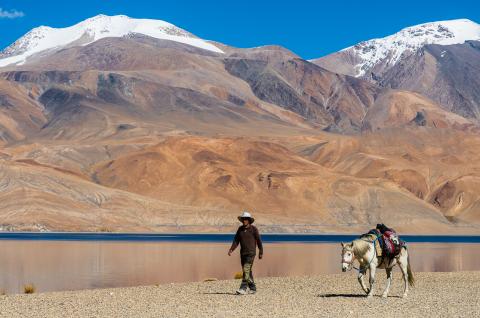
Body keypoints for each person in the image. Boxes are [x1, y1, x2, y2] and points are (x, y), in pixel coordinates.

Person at [228, 211, 263, 295]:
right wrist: (231, 249)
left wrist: (261, 251)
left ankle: (243, 288)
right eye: (243, 219)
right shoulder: (240, 229)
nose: (244, 221)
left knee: (246, 269)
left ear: (249, 220)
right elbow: (236, 240)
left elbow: (259, 241)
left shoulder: (254, 229)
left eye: (246, 219)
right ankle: (253, 288)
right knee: (248, 271)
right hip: (243, 253)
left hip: (251, 253)